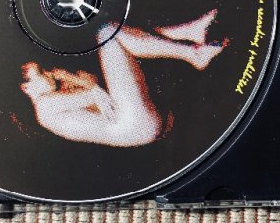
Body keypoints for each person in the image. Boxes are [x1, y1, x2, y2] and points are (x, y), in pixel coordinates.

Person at [20, 10, 225, 147]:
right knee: (107, 33)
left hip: (140, 126)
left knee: (123, 37)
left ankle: (188, 34)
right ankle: (193, 52)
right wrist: (69, 77)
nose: (48, 73)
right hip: (133, 122)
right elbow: (94, 93)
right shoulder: (45, 105)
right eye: (41, 73)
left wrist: (79, 82)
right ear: (26, 88)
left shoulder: (49, 110)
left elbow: (94, 87)